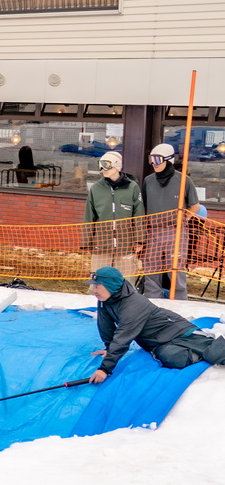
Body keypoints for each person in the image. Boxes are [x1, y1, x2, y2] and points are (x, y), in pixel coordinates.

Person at [88, 266, 225, 383]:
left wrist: (104, 369)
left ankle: (207, 344)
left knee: (214, 353)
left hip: (177, 330)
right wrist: (109, 348)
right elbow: (105, 326)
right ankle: (195, 353)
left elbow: (122, 337)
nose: (94, 290)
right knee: (174, 360)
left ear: (111, 286)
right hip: (157, 342)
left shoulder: (133, 305)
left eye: (97, 286)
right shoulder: (106, 301)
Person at [141, 143, 199, 300]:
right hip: (153, 231)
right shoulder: (148, 180)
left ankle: (180, 302)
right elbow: (144, 206)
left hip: (175, 231)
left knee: (175, 269)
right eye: (151, 159)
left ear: (168, 160)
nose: (154, 164)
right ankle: (153, 300)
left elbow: (195, 206)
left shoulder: (183, 180)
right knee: (151, 268)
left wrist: (184, 219)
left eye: (157, 160)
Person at [83, 150, 144, 282]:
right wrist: (87, 242)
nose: (102, 169)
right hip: (101, 245)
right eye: (100, 165)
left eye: (106, 165)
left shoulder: (132, 188)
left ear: (116, 165)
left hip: (125, 246)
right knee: (98, 284)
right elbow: (89, 217)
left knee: (126, 283)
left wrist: (139, 240)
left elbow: (138, 215)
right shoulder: (96, 189)